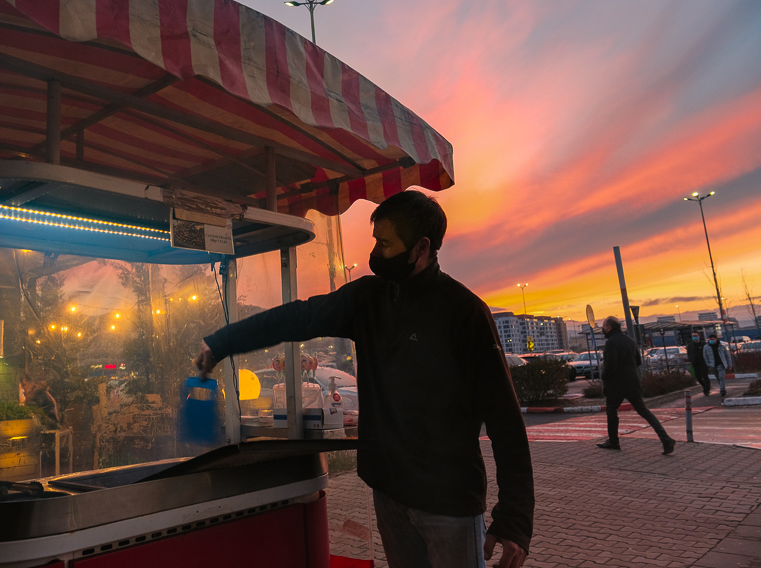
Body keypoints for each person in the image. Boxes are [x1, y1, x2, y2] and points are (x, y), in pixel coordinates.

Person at [195, 190, 534, 568]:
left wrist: (515, 519)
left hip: (449, 507)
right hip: (389, 494)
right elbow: (298, 317)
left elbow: (505, 420)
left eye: (385, 244)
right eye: (375, 241)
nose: (375, 253)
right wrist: (223, 342)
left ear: (422, 248)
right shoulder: (368, 298)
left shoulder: (464, 312)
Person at [596, 317, 676, 454]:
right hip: (632, 381)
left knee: (611, 410)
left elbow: (611, 366)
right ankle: (666, 439)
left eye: (604, 326)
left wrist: (604, 376)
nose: (603, 329)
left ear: (609, 327)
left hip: (616, 384)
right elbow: (638, 361)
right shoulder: (630, 341)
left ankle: (614, 441)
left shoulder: (611, 343)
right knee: (644, 411)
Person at [703, 333, 732, 397]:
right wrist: (708, 364)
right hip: (713, 365)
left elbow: (727, 356)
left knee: (721, 377)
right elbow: (705, 357)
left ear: (716, 339)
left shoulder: (721, 346)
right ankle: (722, 387)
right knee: (718, 377)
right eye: (710, 339)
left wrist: (729, 365)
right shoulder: (706, 347)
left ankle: (722, 390)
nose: (711, 341)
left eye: (712, 339)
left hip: (721, 364)